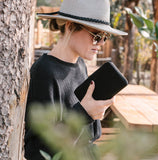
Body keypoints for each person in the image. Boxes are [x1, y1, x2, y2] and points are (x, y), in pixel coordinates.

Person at [24, 0, 127, 159]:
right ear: (70, 26)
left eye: (104, 37)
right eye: (96, 35)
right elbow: (37, 151)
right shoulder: (43, 72)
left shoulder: (80, 65)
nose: (100, 43)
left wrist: (94, 114)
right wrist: (84, 113)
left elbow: (91, 136)